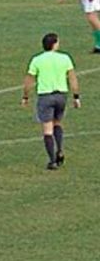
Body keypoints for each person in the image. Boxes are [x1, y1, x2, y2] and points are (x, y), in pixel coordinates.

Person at [21, 33, 80, 170]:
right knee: (57, 123)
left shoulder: (37, 60)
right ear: (54, 44)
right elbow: (72, 79)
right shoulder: (65, 58)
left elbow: (29, 81)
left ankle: (52, 160)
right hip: (61, 96)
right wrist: (76, 97)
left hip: (45, 96)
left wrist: (25, 97)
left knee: (47, 129)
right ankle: (60, 149)